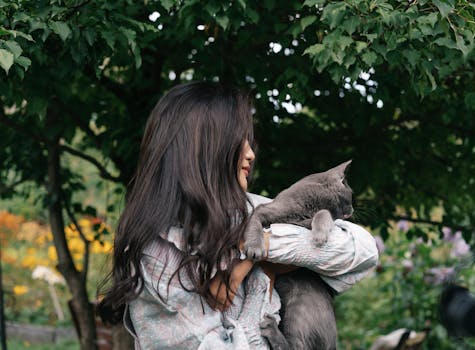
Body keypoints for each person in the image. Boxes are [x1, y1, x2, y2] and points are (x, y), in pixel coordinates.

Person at [98, 81, 379, 349]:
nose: (251, 154)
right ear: (204, 145)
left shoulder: (246, 208)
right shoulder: (156, 252)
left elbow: (361, 249)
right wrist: (265, 276)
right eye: (239, 140)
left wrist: (257, 248)